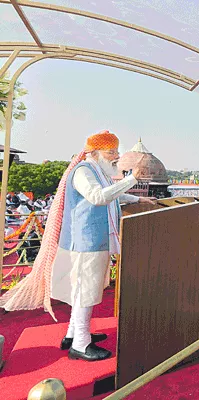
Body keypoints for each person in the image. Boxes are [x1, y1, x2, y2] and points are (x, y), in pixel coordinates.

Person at [0, 130, 156, 362]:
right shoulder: (83, 171)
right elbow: (98, 197)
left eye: (116, 151)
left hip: (91, 240)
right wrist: (131, 180)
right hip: (84, 242)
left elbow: (110, 195)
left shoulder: (97, 171)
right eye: (110, 152)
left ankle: (74, 335)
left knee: (85, 289)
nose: (116, 156)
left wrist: (138, 199)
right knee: (85, 291)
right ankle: (81, 345)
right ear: (94, 153)